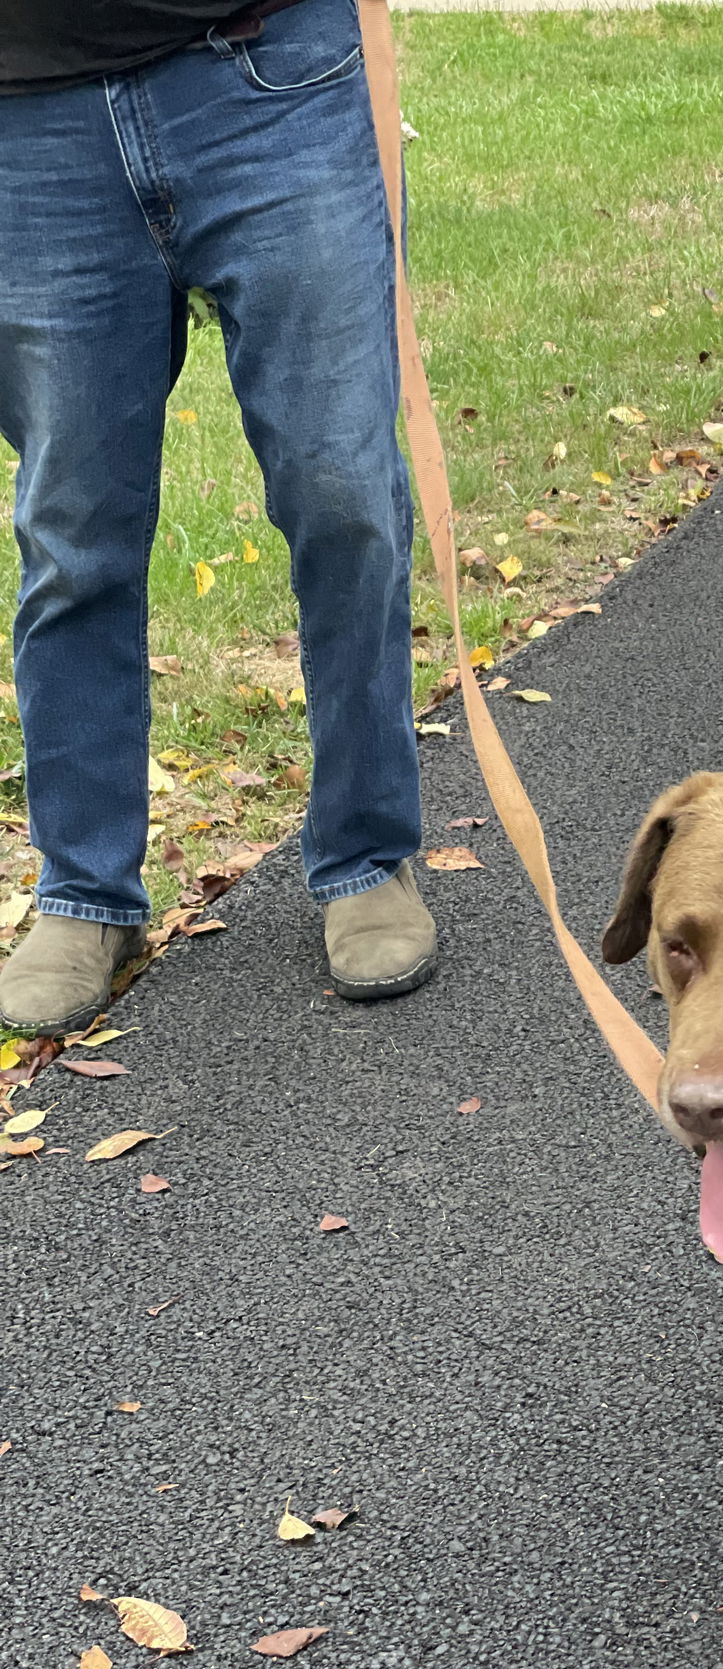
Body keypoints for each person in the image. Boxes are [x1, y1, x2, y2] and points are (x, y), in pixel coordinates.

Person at [0, 0, 435, 1036]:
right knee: (72, 529)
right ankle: (83, 891)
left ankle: (368, 854)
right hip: (28, 116)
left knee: (345, 491)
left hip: (270, 74)